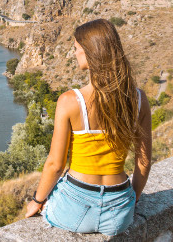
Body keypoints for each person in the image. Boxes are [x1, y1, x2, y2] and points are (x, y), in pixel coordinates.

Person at [25, 18, 152, 236]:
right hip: (119, 211)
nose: (74, 54)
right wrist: (134, 200)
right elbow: (144, 160)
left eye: (76, 49)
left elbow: (55, 164)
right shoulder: (139, 99)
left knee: (50, 202)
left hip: (75, 207)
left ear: (88, 52)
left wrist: (37, 201)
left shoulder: (70, 101)